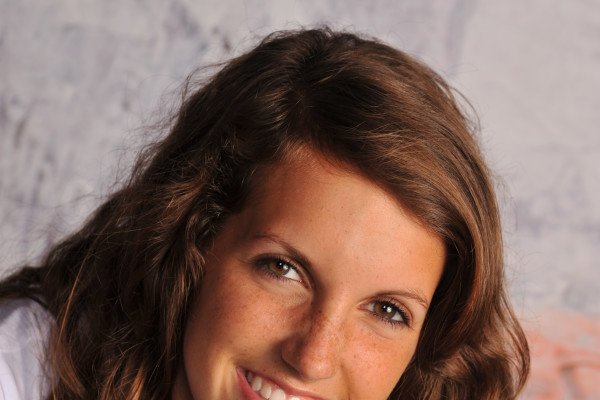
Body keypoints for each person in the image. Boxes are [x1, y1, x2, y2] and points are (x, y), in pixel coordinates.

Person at [0, 28, 529, 399]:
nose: (314, 357)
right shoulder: (20, 369)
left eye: (388, 310)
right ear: (192, 239)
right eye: (284, 269)